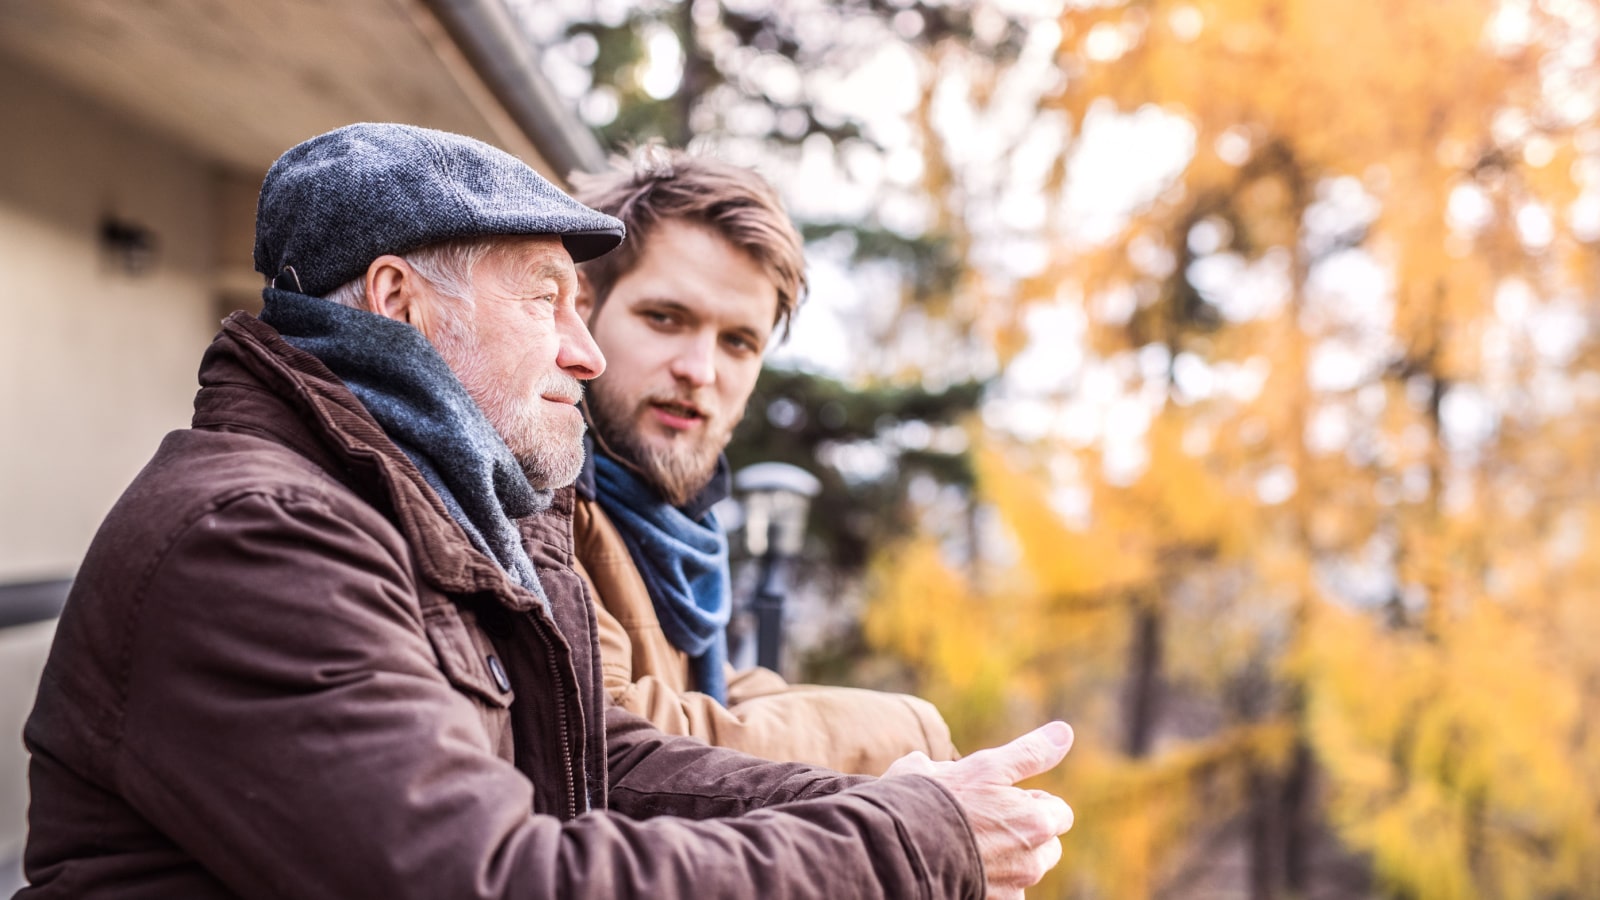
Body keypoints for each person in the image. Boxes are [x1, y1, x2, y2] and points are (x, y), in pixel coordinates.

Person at [19, 123, 1074, 899]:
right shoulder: (256, 538)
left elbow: (597, 761)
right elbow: (491, 879)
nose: (586, 351)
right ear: (398, 303)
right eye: (544, 300)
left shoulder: (452, 515)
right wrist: (905, 844)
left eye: (581, 304)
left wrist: (886, 808)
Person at [566, 150, 957, 774]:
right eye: (665, 318)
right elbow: (609, 731)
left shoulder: (675, 530)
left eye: (738, 342)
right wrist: (916, 734)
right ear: (581, 304)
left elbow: (710, 695)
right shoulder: (542, 490)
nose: (700, 370)